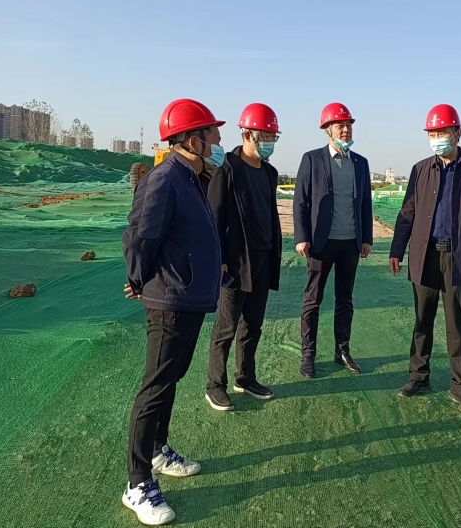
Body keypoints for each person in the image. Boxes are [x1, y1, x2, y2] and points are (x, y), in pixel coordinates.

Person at [121, 98, 225, 526]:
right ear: (193, 140)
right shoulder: (164, 179)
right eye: (212, 134)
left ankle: (158, 450)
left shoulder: (192, 179)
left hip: (189, 297)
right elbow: (140, 235)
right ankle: (137, 483)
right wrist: (140, 279)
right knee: (155, 387)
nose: (218, 141)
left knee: (171, 379)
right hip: (170, 300)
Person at [389, 104, 461, 413]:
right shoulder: (421, 169)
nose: (437, 138)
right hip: (424, 255)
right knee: (422, 319)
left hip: (459, 257)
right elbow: (407, 212)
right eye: (432, 133)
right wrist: (397, 250)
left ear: (457, 133)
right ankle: (418, 377)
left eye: (442, 132)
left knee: (457, 324)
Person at [205, 103, 283, 411]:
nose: (270, 142)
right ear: (248, 134)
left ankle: (245, 378)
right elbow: (214, 216)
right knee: (226, 327)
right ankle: (215, 385)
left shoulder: (270, 173)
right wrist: (219, 257)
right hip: (235, 263)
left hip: (263, 260)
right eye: (266, 136)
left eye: (273, 137)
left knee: (253, 325)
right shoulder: (227, 168)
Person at [293, 102, 373, 378]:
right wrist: (302, 237)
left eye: (349, 125)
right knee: (313, 300)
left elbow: (365, 204)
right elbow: (300, 201)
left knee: (345, 300)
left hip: (350, 243)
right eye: (340, 125)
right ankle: (308, 354)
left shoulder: (360, 163)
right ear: (327, 129)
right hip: (320, 243)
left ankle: (342, 351)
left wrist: (366, 238)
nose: (346, 130)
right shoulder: (312, 159)